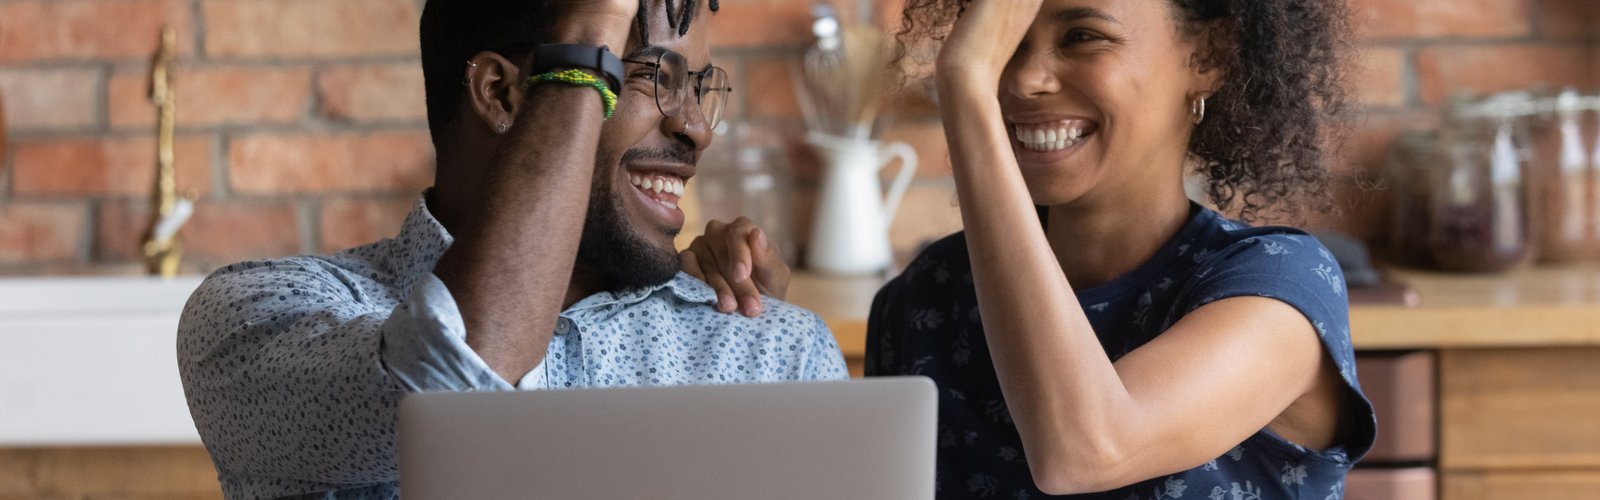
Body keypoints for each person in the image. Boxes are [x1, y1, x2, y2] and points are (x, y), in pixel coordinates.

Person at [686, 0, 1376, 497]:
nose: (1021, 81)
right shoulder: (929, 296)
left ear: (1209, 56)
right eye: (1005, 46)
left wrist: (964, 84)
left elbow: (1085, 451)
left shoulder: (1280, 290)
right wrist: (761, 333)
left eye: (1081, 35)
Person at [176, 1, 847, 497]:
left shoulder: (772, 349)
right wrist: (592, 33)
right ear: (502, 93)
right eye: (652, 77)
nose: (696, 129)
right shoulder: (254, 318)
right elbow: (456, 380)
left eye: (699, 87)